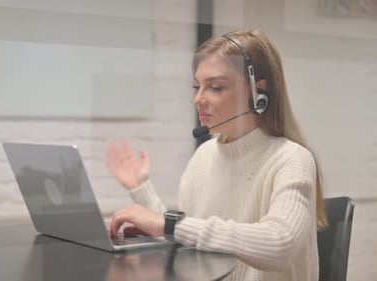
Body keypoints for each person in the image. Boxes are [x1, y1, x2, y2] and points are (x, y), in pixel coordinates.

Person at [106, 29, 327, 281]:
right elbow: (190, 236)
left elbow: (280, 245)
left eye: (216, 87)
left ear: (258, 92)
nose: (198, 99)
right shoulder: (205, 156)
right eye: (197, 86)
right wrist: (140, 188)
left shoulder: (292, 159)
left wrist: (170, 226)